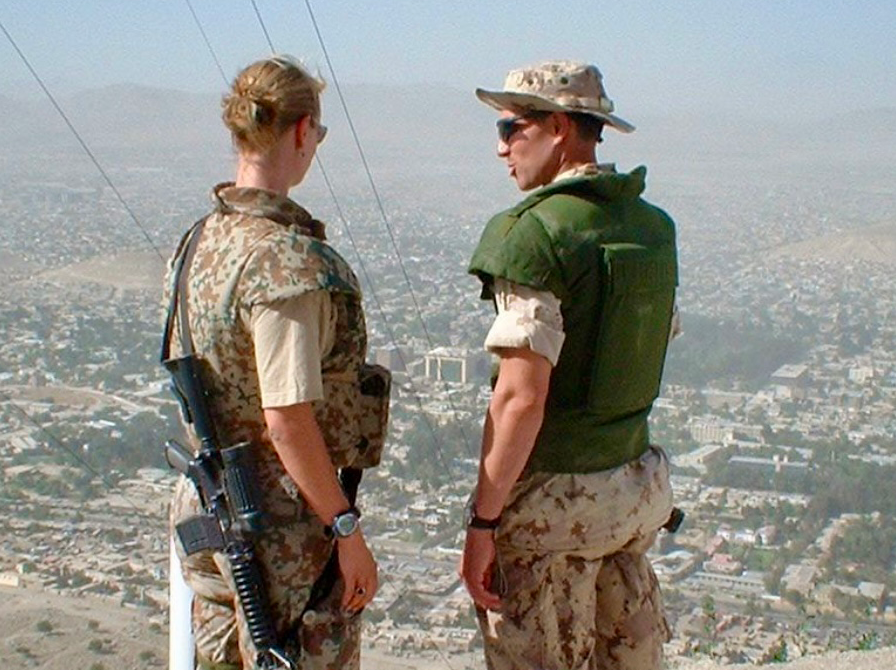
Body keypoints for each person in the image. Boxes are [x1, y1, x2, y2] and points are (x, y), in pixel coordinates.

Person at [165, 55, 383, 670]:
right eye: (319, 132)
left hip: (210, 514)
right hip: (279, 538)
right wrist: (345, 529)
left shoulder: (200, 242)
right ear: (301, 131)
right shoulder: (285, 263)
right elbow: (286, 420)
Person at [460, 60, 679, 670]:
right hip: (632, 495)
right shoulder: (652, 228)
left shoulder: (534, 234)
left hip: (551, 512)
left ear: (558, 127)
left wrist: (482, 523)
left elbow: (520, 399)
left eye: (511, 127)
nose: (501, 147)